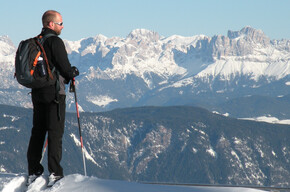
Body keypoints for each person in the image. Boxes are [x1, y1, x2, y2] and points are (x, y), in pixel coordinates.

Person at [26, 10, 79, 187]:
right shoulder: (55, 41)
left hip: (37, 92)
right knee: (55, 133)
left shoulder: (36, 41)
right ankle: (55, 173)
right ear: (51, 24)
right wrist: (73, 72)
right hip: (54, 94)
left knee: (38, 131)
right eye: (60, 23)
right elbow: (65, 68)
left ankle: (33, 171)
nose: (62, 26)